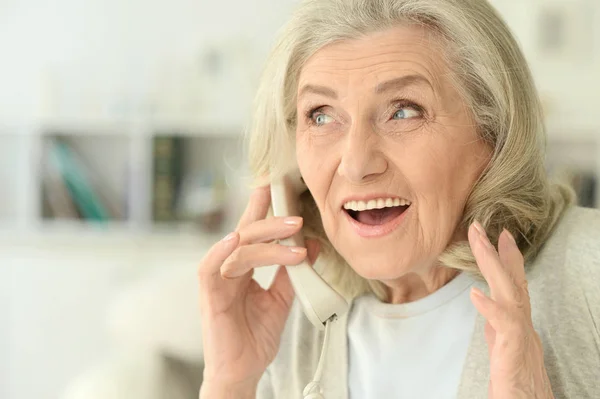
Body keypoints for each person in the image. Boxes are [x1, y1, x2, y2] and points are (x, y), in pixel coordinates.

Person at [197, 0, 600, 398]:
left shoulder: (587, 272)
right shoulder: (300, 327)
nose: (355, 165)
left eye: (403, 111)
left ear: (494, 133)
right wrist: (229, 382)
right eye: (321, 115)